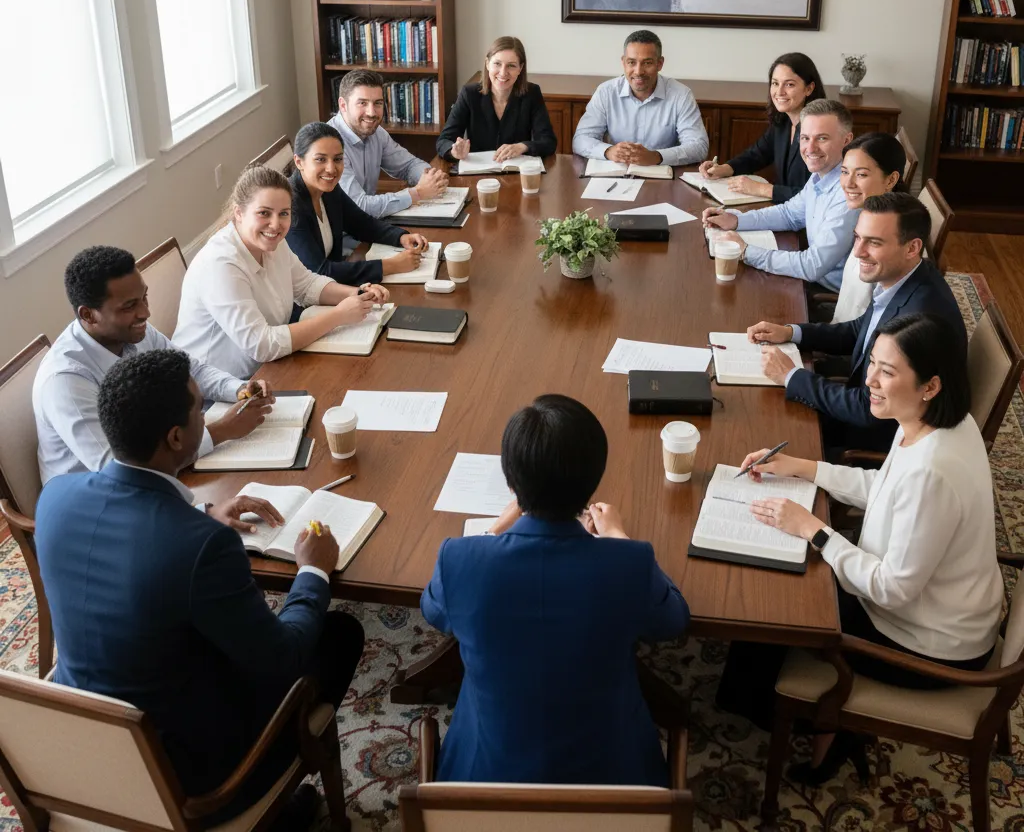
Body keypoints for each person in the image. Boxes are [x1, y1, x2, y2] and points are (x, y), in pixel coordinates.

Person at [35, 349, 364, 827]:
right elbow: (283, 658)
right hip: (188, 782)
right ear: (175, 437)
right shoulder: (202, 546)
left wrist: (203, 515)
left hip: (87, 745)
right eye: (199, 410)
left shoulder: (55, 498)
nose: (207, 416)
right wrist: (312, 571)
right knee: (338, 635)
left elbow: (130, 532)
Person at [718, 314, 1002, 784]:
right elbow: (883, 487)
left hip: (929, 644)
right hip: (937, 605)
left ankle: (803, 721)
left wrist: (815, 530)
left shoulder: (933, 472)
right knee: (785, 573)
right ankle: (773, 705)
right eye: (873, 363)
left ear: (930, 385)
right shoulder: (935, 422)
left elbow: (892, 589)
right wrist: (804, 467)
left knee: (777, 602)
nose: (869, 380)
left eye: (887, 372)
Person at [421, 394, 689, 787]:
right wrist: (618, 536)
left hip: (484, 785)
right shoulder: (629, 563)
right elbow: (674, 619)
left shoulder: (459, 558)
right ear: (594, 481)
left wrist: (494, 531)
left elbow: (433, 609)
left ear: (511, 482)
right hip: (615, 785)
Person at [33, 245, 273, 486]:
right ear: (88, 315)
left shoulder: (134, 332)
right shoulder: (65, 381)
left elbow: (190, 371)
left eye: (144, 298)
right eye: (129, 306)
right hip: (101, 496)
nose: (145, 312)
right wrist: (222, 431)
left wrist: (239, 389)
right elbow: (117, 470)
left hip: (157, 463)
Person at [748, 192, 966, 454]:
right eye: (858, 238)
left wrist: (791, 376)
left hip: (878, 435)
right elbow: (861, 329)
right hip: (863, 401)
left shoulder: (920, 315)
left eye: (874, 242)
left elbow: (868, 411)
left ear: (912, 248)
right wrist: (792, 332)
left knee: (755, 425)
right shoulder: (904, 277)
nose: (858, 252)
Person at [173, 166, 389, 379]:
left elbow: (306, 285)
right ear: (239, 212)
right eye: (264, 213)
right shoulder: (220, 264)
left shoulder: (271, 241)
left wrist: (356, 294)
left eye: (284, 213)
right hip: (214, 387)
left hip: (268, 369)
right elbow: (262, 345)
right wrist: (338, 316)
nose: (275, 225)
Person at [703, 100, 857, 292]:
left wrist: (746, 251)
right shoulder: (823, 173)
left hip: (827, 294)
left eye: (822, 138)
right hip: (811, 280)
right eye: (805, 138)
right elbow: (789, 214)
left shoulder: (849, 193)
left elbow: (812, 266)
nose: (810, 148)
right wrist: (736, 220)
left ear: (846, 140)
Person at [286, 121, 429, 283]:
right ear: (299, 162)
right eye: (320, 159)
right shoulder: (290, 206)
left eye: (338, 159)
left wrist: (401, 237)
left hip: (331, 287)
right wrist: (391, 265)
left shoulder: (328, 188)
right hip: (306, 294)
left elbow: (360, 223)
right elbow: (319, 271)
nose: (331, 169)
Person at [699, 52, 823, 203]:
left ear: (809, 88)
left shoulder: (820, 132)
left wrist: (762, 189)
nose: (779, 92)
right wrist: (725, 168)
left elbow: (818, 196)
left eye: (789, 84)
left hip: (809, 215)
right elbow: (756, 155)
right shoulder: (783, 121)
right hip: (784, 210)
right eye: (775, 83)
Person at [571, 29, 708, 166]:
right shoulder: (606, 92)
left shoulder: (681, 95)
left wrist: (656, 156)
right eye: (631, 62)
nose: (638, 71)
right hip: (617, 172)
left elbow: (698, 146)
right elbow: (580, 140)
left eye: (647, 63)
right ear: (623, 62)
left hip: (663, 173)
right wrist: (608, 151)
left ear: (660, 63)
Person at [329, 69, 449, 223]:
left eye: (377, 103)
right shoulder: (330, 145)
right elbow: (359, 206)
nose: (371, 112)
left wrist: (430, 177)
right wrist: (417, 193)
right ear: (343, 105)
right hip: (343, 232)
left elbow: (408, 165)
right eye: (362, 103)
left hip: (367, 225)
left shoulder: (376, 132)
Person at [437, 36, 556, 162]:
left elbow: (548, 141)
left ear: (520, 68)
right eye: (497, 64)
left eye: (511, 66)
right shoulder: (469, 94)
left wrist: (523, 146)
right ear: (487, 64)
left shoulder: (532, 93)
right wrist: (454, 151)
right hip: (478, 170)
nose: (503, 72)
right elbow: (443, 141)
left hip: (516, 169)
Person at [830, 133, 906, 323]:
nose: (848, 184)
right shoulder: (869, 218)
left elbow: (863, 323)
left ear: (891, 180)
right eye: (844, 172)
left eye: (861, 174)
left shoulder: (889, 242)